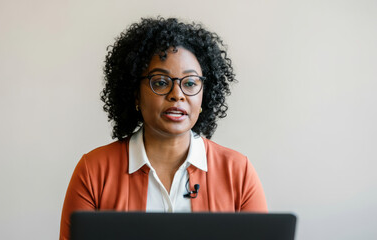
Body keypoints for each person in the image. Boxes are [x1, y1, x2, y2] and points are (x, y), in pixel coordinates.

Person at [60, 17, 267, 240]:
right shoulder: (93, 172)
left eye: (190, 83)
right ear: (135, 93)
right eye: (160, 82)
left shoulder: (238, 172)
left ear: (205, 95)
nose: (177, 94)